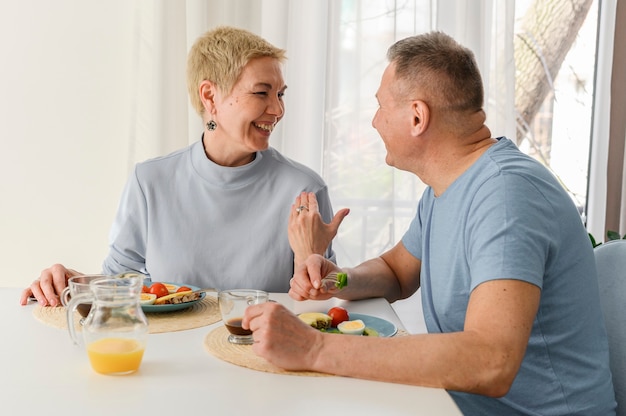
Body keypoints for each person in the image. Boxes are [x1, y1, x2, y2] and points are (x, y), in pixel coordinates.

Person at [243, 31, 617, 415]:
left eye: (381, 107)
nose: (374, 122)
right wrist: (338, 279)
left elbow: (491, 361)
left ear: (417, 117)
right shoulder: (448, 188)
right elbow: (397, 271)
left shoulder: (506, 195)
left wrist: (313, 348)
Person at [20, 26, 349, 306]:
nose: (277, 109)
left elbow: (314, 307)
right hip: (167, 362)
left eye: (281, 94)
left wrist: (311, 263)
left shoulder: (303, 189)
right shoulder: (150, 181)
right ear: (210, 96)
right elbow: (123, 286)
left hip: (261, 365)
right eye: (262, 93)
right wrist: (71, 282)